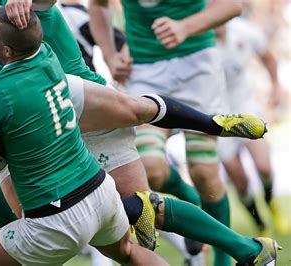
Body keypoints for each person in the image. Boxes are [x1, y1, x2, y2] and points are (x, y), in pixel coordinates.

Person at [0, 7, 279, 265]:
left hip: (54, 89)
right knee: (129, 229)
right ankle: (242, 248)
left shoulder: (4, 24)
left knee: (135, 137)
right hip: (23, 117)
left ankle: (211, 123)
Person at [88, 0, 246, 265]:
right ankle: (191, 202)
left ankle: (223, 258)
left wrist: (185, 26)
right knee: (150, 169)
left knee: (204, 172)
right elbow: (98, 6)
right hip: (145, 71)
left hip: (197, 66)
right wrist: (110, 55)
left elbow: (232, 6)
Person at [216, 17, 289, 235]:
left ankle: (271, 202)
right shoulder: (195, 41)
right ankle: (259, 223)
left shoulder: (244, 30)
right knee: (240, 182)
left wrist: (275, 85)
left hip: (245, 107)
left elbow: (268, 56)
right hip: (215, 116)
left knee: (264, 167)